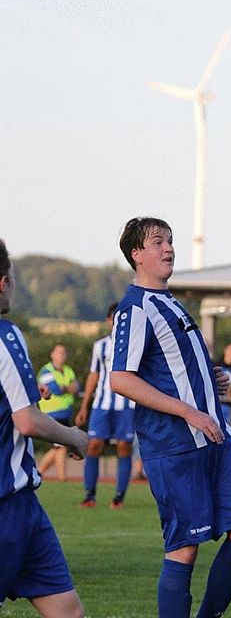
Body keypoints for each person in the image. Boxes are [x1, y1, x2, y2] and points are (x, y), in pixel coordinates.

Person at [109, 217, 231, 618]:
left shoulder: (172, 302)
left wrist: (211, 381)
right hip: (174, 444)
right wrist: (187, 409)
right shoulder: (134, 308)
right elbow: (121, 378)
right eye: (157, 241)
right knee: (184, 548)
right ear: (136, 255)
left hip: (215, 436)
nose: (169, 248)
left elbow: (173, 368)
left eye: (171, 241)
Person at [0, 238, 88, 617]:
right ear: (3, 283)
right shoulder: (6, 335)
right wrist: (75, 437)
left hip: (24, 508)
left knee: (66, 610)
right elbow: (27, 421)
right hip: (8, 503)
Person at [75, 302, 135, 509]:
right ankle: (89, 495)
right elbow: (94, 375)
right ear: (109, 320)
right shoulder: (100, 346)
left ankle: (119, 497)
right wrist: (84, 406)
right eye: (114, 318)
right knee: (94, 445)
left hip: (127, 405)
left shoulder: (135, 344)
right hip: (102, 404)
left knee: (123, 446)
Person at [34, 343, 79, 481]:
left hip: (65, 413)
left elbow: (76, 387)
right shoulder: (46, 371)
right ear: (52, 354)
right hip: (51, 413)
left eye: (63, 353)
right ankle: (61, 478)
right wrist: (67, 387)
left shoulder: (68, 370)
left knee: (59, 446)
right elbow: (56, 389)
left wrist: (67, 387)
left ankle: (38, 473)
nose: (61, 355)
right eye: (58, 352)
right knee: (61, 446)